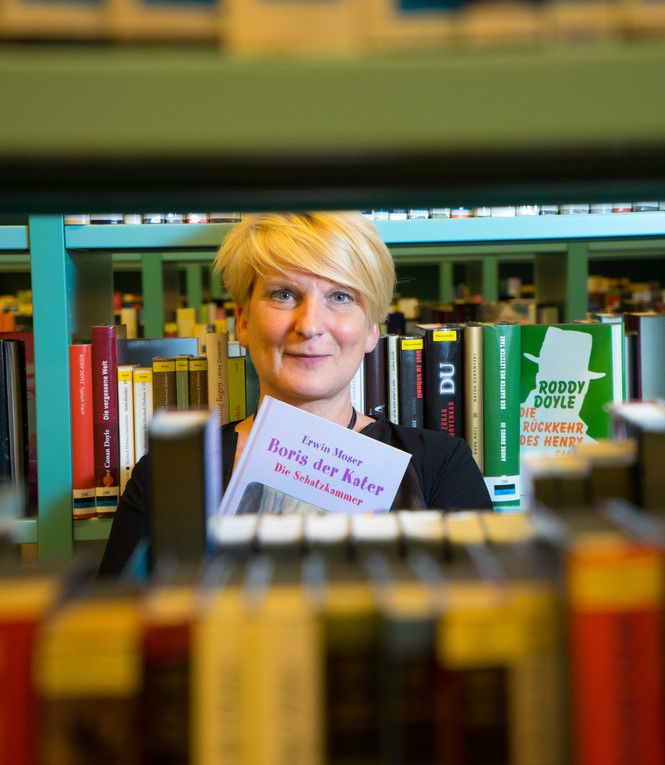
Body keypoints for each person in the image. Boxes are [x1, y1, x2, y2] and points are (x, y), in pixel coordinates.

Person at [99, 211, 491, 574]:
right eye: (284, 294)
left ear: (373, 329)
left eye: (340, 297)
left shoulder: (440, 466)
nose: (309, 325)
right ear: (244, 321)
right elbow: (118, 633)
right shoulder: (171, 475)